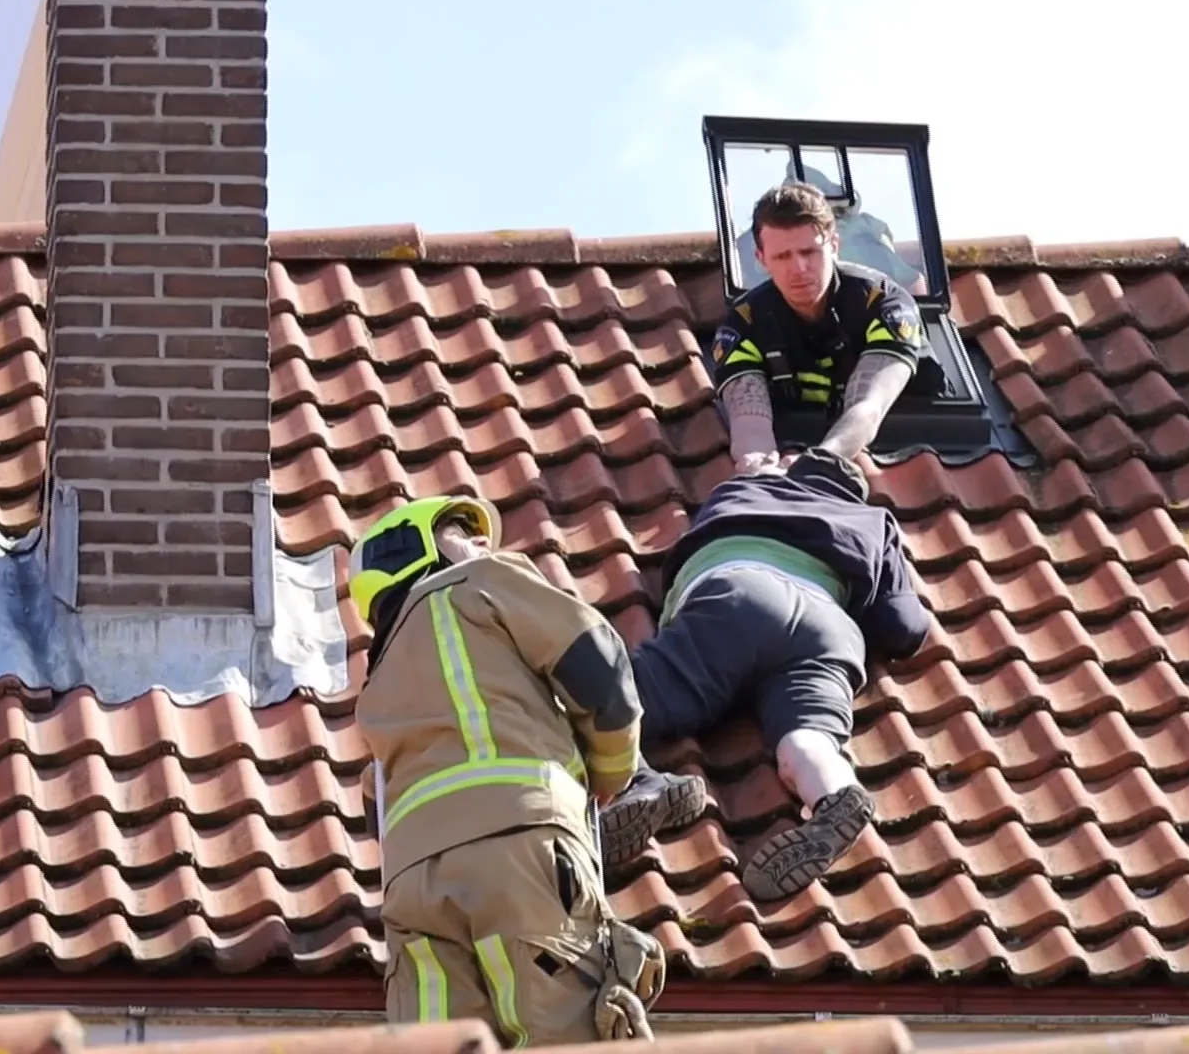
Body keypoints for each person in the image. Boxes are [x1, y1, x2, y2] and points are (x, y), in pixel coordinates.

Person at [349, 494, 681, 1045]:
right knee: (562, 1034)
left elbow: (375, 808)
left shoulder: (378, 684)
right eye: (464, 532)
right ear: (424, 548)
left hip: (412, 890)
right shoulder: (482, 581)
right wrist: (609, 778)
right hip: (520, 844)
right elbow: (601, 670)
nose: (484, 544)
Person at [596, 448, 934, 901]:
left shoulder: (745, 489)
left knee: (619, 701)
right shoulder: (871, 521)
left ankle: (642, 781)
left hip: (739, 593)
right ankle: (833, 794)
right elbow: (905, 627)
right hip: (828, 623)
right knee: (807, 739)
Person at [708, 180, 926, 476]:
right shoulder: (744, 323)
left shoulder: (883, 303)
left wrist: (816, 465)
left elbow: (868, 407)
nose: (798, 268)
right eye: (782, 257)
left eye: (809, 252)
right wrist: (759, 467)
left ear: (834, 245)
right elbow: (749, 420)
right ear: (761, 260)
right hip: (788, 444)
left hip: (904, 449)